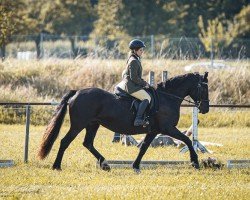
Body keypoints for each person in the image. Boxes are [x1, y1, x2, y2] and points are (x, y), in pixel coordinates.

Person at [116, 39, 151, 126]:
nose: (142, 52)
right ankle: (138, 119)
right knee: (147, 98)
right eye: (140, 50)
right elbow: (134, 78)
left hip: (132, 84)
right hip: (132, 87)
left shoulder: (133, 58)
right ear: (135, 50)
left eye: (142, 50)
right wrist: (145, 84)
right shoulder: (134, 61)